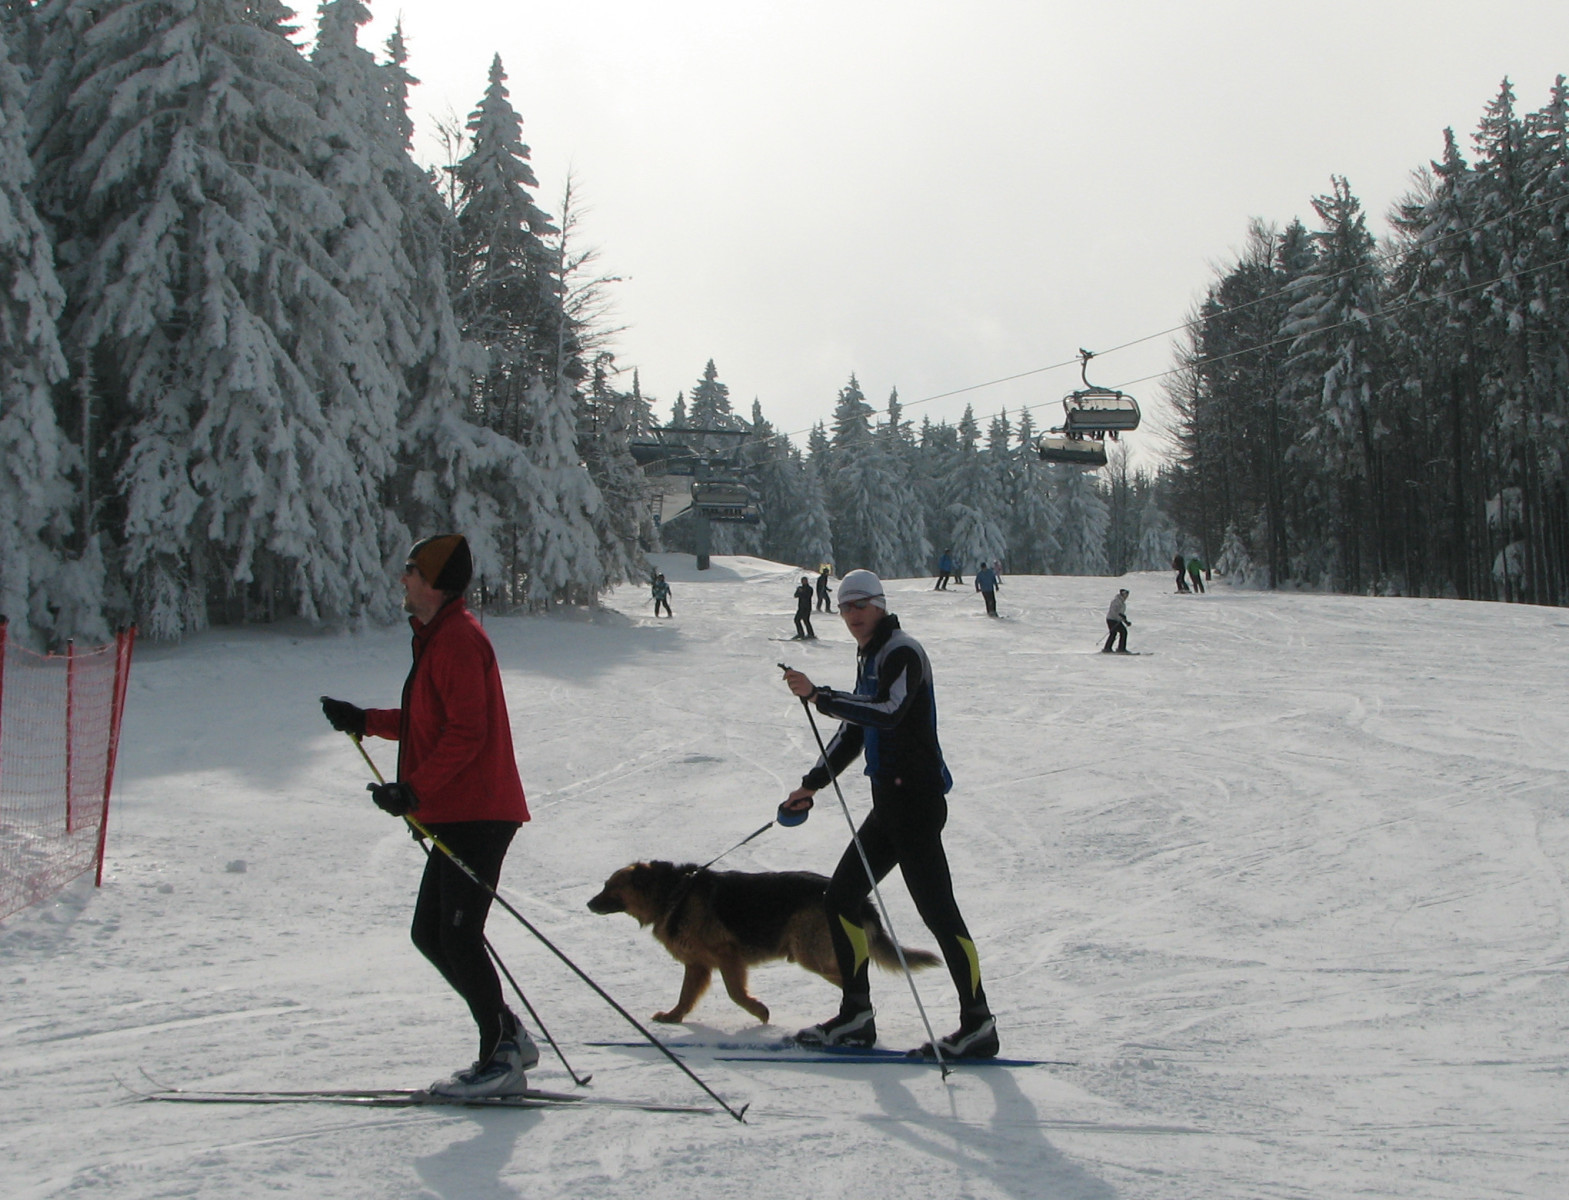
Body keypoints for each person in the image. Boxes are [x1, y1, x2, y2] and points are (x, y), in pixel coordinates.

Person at [320, 534, 535, 1099]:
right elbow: (429, 720)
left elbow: (468, 733)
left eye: (411, 570)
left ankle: (501, 1057)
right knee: (431, 934)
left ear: (435, 582)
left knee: (459, 936)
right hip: (458, 811)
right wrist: (363, 719)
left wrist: (412, 791)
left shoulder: (458, 641)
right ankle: (507, 1035)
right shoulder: (439, 639)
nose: (403, 579)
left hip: (479, 811)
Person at [778, 569, 998, 1059]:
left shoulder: (901, 651)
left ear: (880, 605)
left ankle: (978, 1024)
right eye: (845, 608)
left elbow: (888, 711)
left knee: (939, 914)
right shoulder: (871, 654)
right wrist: (811, 784)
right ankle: (856, 1015)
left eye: (862, 605)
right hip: (891, 803)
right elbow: (859, 729)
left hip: (915, 803)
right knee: (840, 898)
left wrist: (820, 697)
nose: (853, 615)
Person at [1103, 587, 1131, 653]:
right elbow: (1114, 611)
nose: (1126, 596)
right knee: (1120, 632)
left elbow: (1121, 614)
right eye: (1125, 595)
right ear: (1122, 594)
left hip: (1116, 620)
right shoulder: (1116, 601)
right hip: (1111, 619)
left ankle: (1109, 648)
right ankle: (1118, 649)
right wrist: (1120, 615)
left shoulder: (1122, 603)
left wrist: (1126, 621)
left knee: (1119, 632)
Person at [793, 576, 817, 640]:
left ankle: (810, 634)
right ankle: (801, 633)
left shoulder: (809, 588)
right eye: (803, 581)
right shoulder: (800, 588)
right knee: (797, 620)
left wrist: (801, 592)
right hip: (801, 607)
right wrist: (799, 591)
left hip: (807, 607)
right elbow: (795, 595)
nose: (804, 582)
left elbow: (807, 596)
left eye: (805, 580)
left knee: (805, 620)